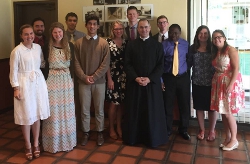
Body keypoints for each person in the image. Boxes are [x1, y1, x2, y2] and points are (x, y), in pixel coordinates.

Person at [122, 18, 168, 147]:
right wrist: (136, 78)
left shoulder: (157, 45)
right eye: (141, 27)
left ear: (150, 28)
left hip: (152, 85)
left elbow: (160, 66)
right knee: (135, 111)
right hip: (135, 84)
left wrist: (149, 79)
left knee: (152, 112)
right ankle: (133, 138)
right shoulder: (131, 45)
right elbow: (128, 64)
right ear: (138, 29)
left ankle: (153, 139)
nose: (144, 30)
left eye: (146, 27)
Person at [9, 24, 50, 160]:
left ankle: (36, 143)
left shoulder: (38, 48)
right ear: (21, 36)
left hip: (38, 83)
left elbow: (42, 63)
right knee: (26, 116)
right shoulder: (17, 51)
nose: (29, 36)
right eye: (26, 34)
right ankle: (27, 144)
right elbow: (13, 71)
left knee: (37, 114)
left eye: (31, 33)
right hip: (24, 84)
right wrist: (16, 88)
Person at [74, 15, 110, 146]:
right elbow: (76, 63)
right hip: (83, 83)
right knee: (84, 109)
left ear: (98, 26)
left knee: (99, 109)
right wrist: (84, 77)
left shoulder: (103, 43)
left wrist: (94, 77)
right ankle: (86, 132)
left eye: (95, 24)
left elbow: (105, 64)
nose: (92, 26)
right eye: (90, 24)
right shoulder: (78, 43)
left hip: (99, 82)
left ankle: (100, 132)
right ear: (86, 25)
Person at [42, 22, 76, 153]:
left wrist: (72, 79)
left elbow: (73, 65)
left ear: (63, 32)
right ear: (51, 33)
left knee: (67, 111)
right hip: (52, 80)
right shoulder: (46, 47)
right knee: (53, 112)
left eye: (60, 32)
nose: (58, 34)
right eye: (55, 32)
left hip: (66, 80)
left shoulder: (70, 46)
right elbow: (43, 65)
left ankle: (68, 142)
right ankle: (53, 144)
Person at [210, 29, 244, 151]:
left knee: (228, 112)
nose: (217, 39)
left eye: (219, 37)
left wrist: (231, 84)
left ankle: (234, 139)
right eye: (214, 38)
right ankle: (228, 137)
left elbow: (236, 69)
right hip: (219, 83)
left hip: (229, 84)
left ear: (224, 38)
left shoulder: (231, 50)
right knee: (223, 112)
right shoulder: (217, 51)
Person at [162, 24, 191, 140]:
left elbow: (189, 60)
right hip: (168, 78)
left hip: (183, 78)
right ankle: (168, 129)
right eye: (171, 33)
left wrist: (184, 69)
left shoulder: (186, 44)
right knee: (167, 105)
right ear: (168, 32)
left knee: (184, 105)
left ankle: (183, 129)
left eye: (176, 33)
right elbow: (160, 63)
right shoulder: (163, 45)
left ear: (180, 33)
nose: (173, 35)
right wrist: (161, 80)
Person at [188, 25, 217, 141]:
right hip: (197, 82)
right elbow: (188, 64)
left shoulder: (213, 48)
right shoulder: (192, 48)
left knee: (211, 108)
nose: (203, 35)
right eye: (201, 33)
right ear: (197, 35)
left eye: (205, 33)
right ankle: (202, 130)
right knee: (199, 107)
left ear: (208, 35)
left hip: (212, 83)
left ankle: (212, 131)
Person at [106, 20, 127, 140]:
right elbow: (107, 63)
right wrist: (109, 79)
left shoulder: (126, 42)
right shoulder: (107, 43)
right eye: (116, 29)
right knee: (114, 104)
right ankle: (111, 128)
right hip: (113, 77)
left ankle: (119, 127)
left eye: (120, 29)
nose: (118, 31)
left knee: (121, 104)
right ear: (112, 30)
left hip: (124, 77)